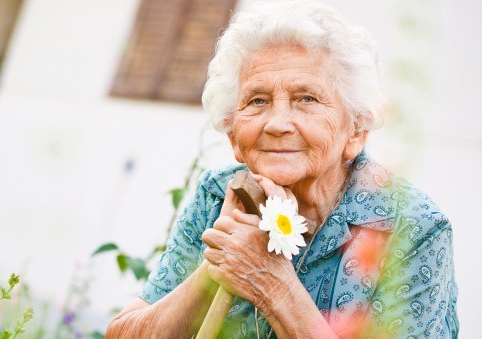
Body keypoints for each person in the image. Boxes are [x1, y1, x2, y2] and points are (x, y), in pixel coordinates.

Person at [105, 1, 458, 338]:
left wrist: (271, 282)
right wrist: (216, 266)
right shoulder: (218, 196)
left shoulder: (413, 226)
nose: (277, 123)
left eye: (307, 99)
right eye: (257, 100)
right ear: (233, 135)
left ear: (356, 132)